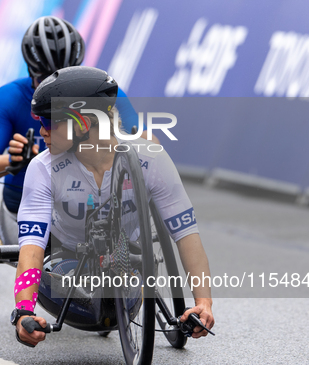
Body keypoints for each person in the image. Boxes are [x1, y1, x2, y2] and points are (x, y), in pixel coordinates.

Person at [11, 66, 214, 347]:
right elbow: (31, 248)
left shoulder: (150, 160)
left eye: (49, 121)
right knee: (84, 295)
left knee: (115, 296)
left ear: (81, 124)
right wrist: (23, 311)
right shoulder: (42, 168)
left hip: (126, 262)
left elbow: (186, 234)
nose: (41, 131)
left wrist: (204, 303)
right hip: (66, 260)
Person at [0, 16, 147, 245]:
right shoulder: (8, 98)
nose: (55, 90)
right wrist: (14, 161)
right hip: (26, 210)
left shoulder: (100, 92)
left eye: (67, 77)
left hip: (95, 209)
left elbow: (147, 143)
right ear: (31, 72)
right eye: (46, 79)